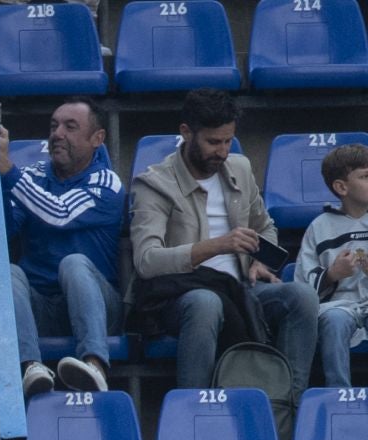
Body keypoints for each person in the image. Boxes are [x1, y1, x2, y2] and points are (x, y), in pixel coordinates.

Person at [128, 89, 317, 397]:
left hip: (241, 288)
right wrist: (218, 245)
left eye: (228, 141)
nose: (222, 151)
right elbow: (147, 261)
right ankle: (195, 408)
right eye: (213, 142)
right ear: (186, 133)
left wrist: (260, 261)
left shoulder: (240, 169)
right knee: (206, 302)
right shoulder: (153, 184)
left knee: (302, 296)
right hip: (180, 296)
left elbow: (265, 227)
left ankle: (287, 407)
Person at [0, 98, 124, 398]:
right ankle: (31, 367)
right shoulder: (36, 175)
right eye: (54, 126)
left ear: (98, 139)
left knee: (74, 263)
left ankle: (95, 365)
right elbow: (5, 231)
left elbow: (59, 213)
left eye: (71, 127)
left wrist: (10, 172)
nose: (57, 134)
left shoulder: (107, 182)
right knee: (9, 271)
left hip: (97, 307)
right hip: (42, 307)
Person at [297, 142, 368, 391]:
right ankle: (339, 394)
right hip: (339, 305)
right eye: (365, 176)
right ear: (341, 187)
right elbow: (302, 287)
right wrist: (332, 274)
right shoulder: (320, 226)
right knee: (334, 321)